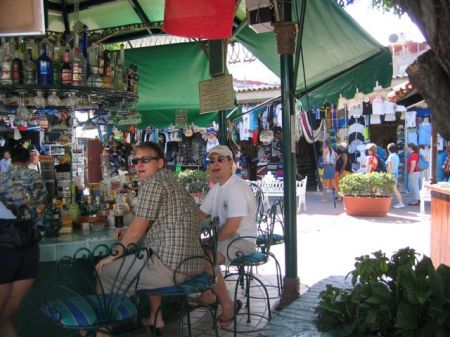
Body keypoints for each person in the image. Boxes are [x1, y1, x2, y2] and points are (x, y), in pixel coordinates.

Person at [95, 142, 203, 331]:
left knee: (104, 271)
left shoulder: (153, 184)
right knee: (146, 256)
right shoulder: (171, 181)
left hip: (170, 271)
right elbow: (149, 222)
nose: (138, 165)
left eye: (145, 160)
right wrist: (130, 230)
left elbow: (136, 233)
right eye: (135, 161)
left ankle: (102, 329)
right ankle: (155, 317)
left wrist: (113, 255)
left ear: (160, 163)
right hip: (191, 266)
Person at [198, 145, 257, 328]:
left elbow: (232, 226)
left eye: (220, 159)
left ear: (231, 162)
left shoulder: (236, 187)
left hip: (242, 241)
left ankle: (227, 305)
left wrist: (211, 242)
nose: (215, 164)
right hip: (228, 238)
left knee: (207, 258)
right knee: (194, 251)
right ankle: (208, 295)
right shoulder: (218, 187)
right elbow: (200, 214)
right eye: (212, 160)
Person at [0, 147, 47, 337]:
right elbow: (42, 204)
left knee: (3, 318)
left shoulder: (2, 176)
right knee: (6, 317)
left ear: (10, 159)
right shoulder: (33, 175)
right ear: (28, 159)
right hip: (28, 243)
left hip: (4, 244)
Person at [386, 143, 405, 208]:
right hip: (395, 173)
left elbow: (390, 167)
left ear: (388, 150)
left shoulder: (390, 156)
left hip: (392, 174)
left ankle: (401, 203)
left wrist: (388, 175)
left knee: (394, 189)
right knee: (393, 189)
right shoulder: (396, 156)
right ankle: (398, 203)